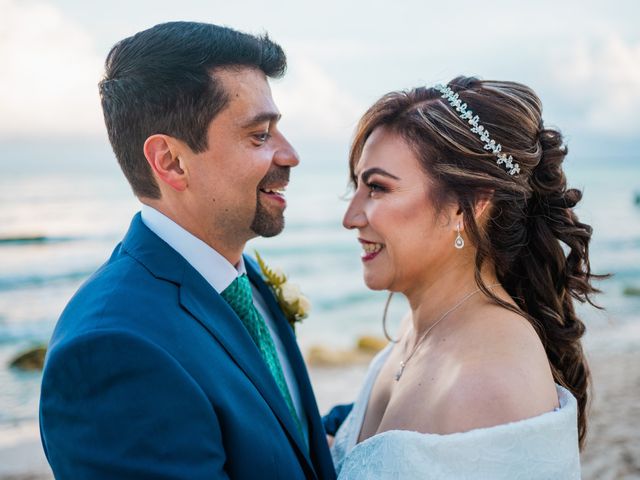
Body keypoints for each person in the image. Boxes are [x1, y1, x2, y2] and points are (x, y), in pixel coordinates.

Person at [39, 21, 335, 480]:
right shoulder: (113, 351)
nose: (290, 154)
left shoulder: (242, 276)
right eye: (260, 135)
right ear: (171, 161)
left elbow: (286, 441)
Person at [332, 76, 601, 479]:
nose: (350, 217)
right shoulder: (416, 332)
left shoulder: (491, 385)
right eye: (357, 186)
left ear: (468, 205)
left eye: (377, 188)